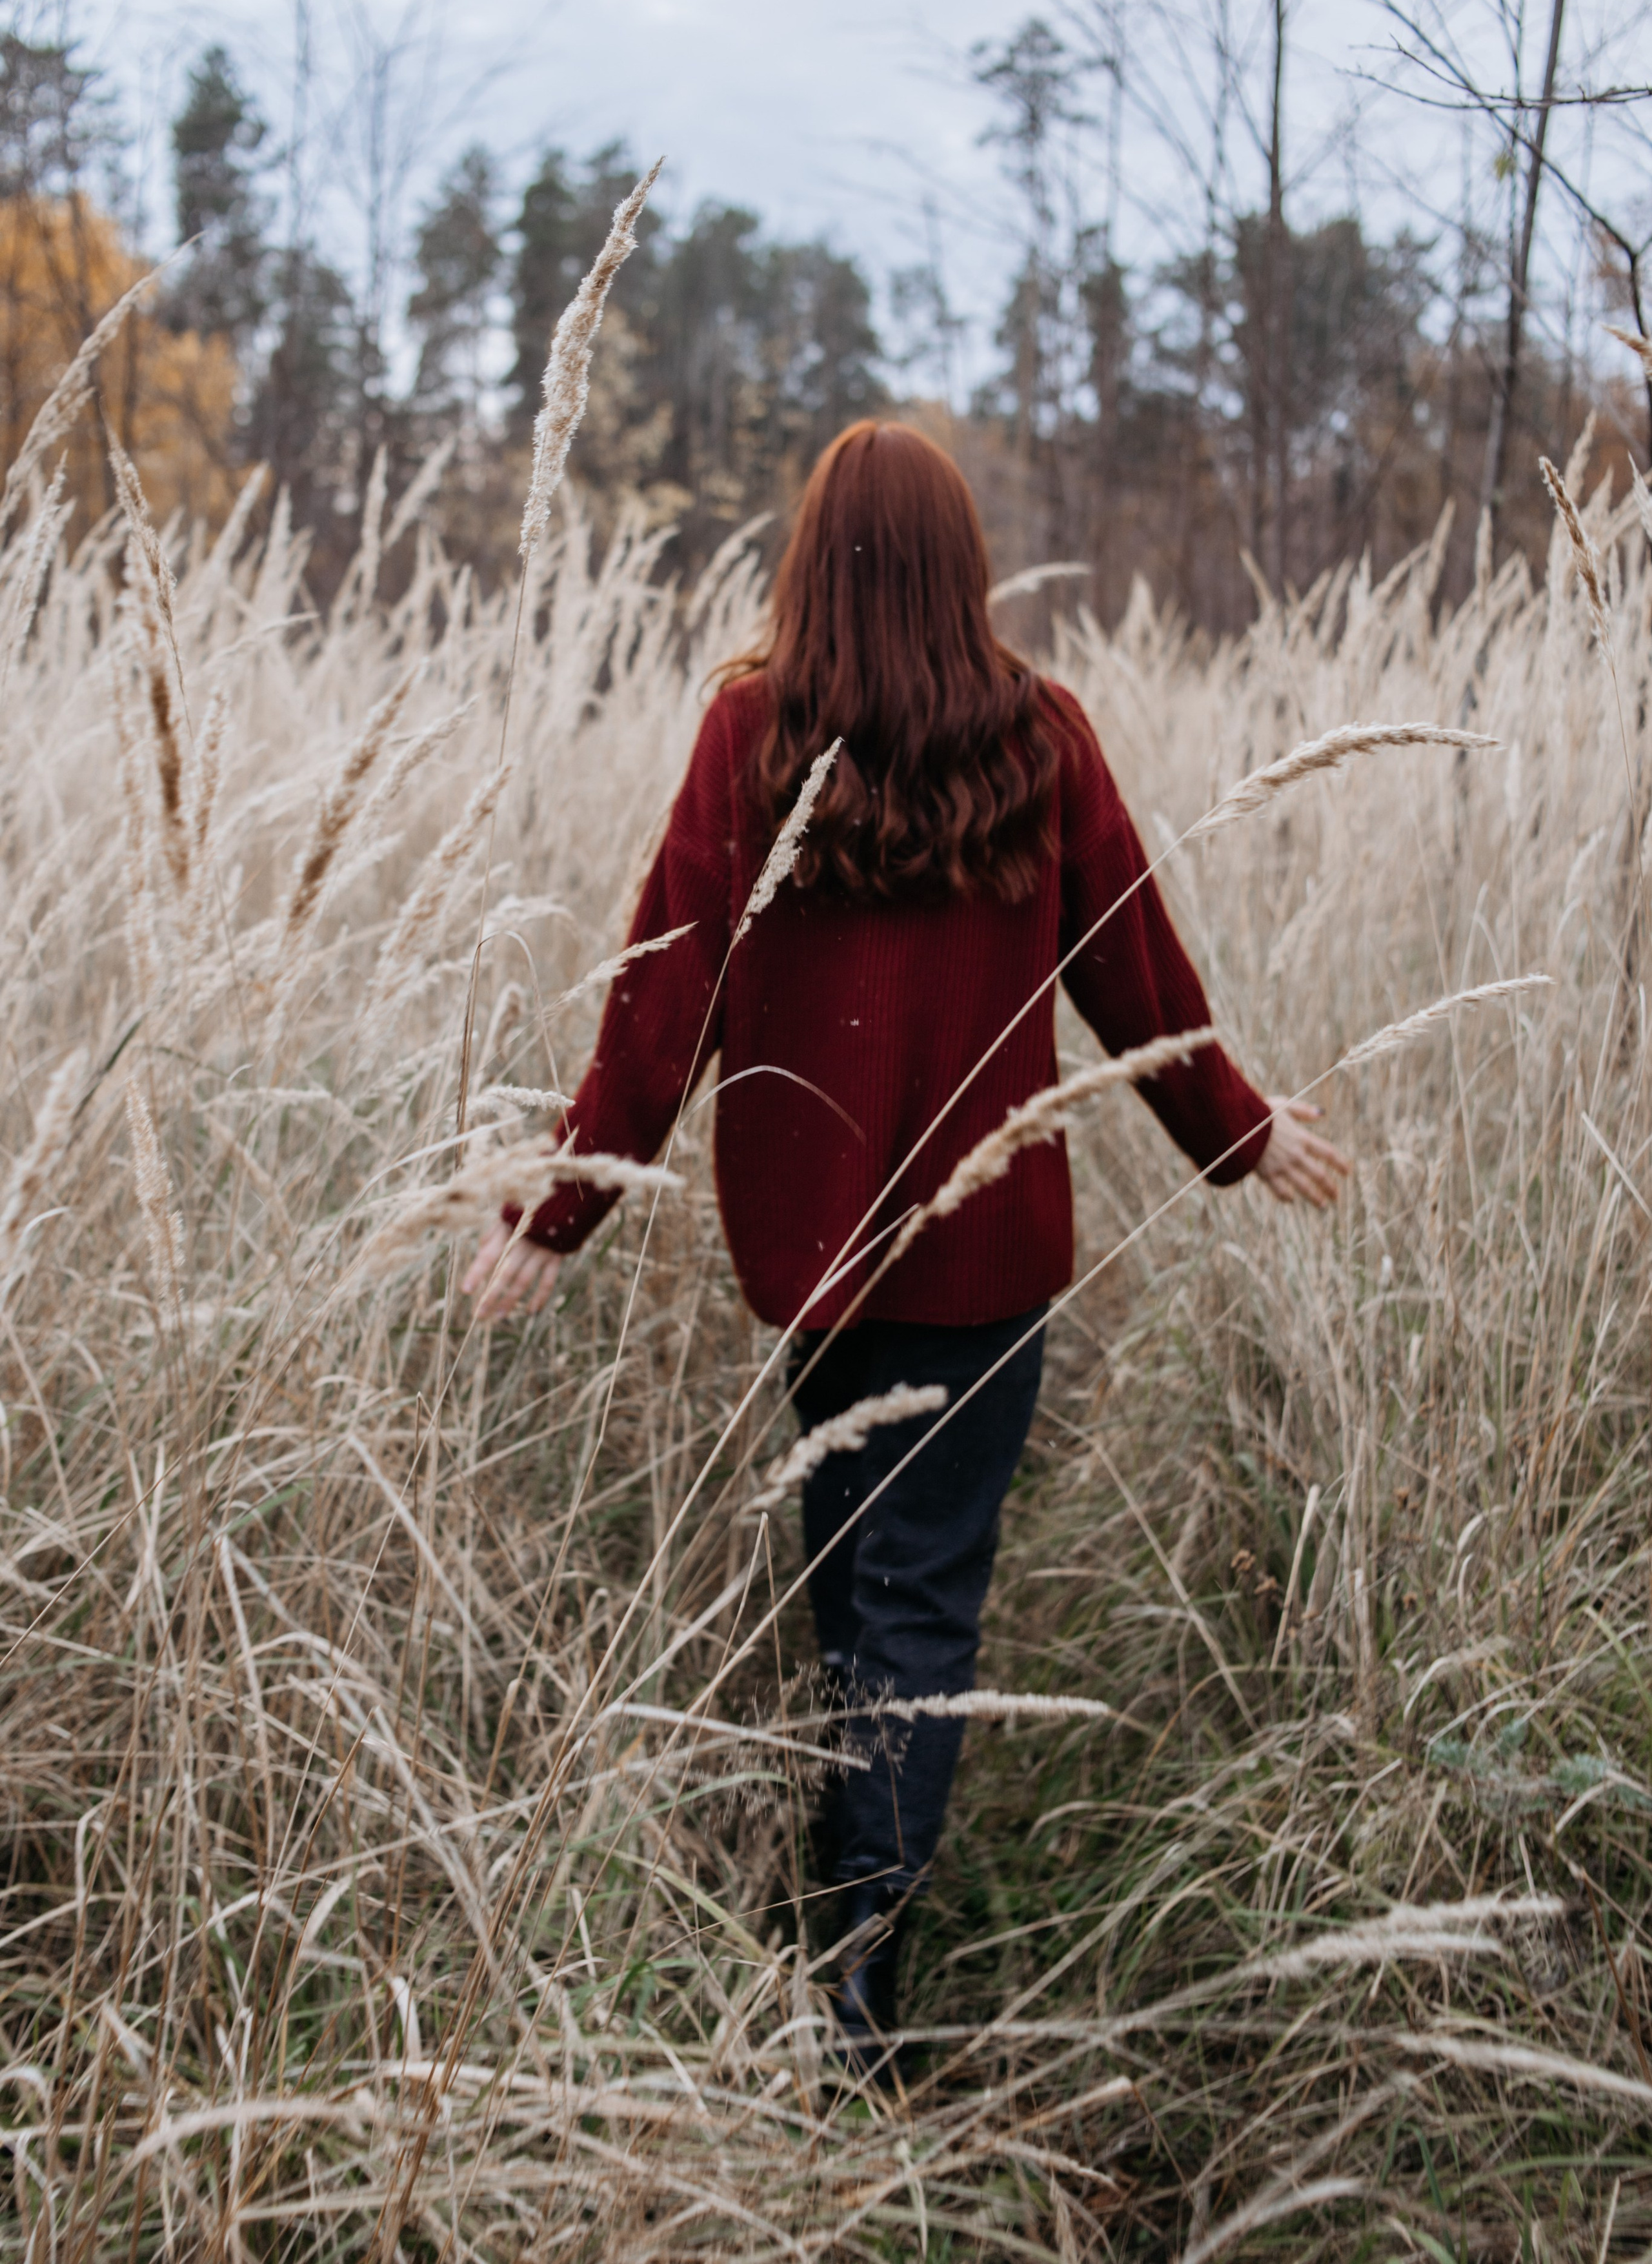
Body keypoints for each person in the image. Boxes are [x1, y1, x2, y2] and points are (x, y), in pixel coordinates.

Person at [463, 421, 1349, 2083]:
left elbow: (659, 1004)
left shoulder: (751, 731)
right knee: (908, 1604)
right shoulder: (1033, 735)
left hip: (809, 1261)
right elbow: (1137, 967)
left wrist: (557, 1209)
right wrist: (1237, 1128)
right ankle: (857, 1985)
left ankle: (838, 1950)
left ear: (809, 560)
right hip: (982, 1265)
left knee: (855, 1585)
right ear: (962, 567)